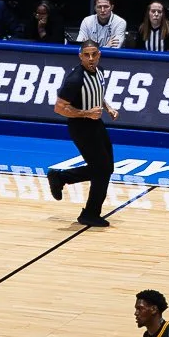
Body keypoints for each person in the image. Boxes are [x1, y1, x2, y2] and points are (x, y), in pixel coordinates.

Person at [46, 41, 119, 226]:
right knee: (101, 169)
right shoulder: (75, 79)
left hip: (96, 124)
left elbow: (97, 93)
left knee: (106, 168)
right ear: (81, 56)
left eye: (94, 54)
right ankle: (90, 213)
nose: (91, 58)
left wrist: (108, 108)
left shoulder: (99, 71)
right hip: (81, 127)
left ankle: (61, 178)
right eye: (87, 55)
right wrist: (86, 113)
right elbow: (59, 108)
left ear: (99, 54)